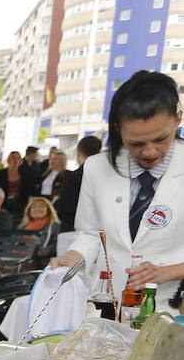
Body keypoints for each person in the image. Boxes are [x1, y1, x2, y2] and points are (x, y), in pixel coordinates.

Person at [51, 70, 184, 314]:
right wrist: (73, 256)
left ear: (178, 118)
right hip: (108, 304)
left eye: (161, 139)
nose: (150, 152)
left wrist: (170, 271)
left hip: (172, 307)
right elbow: (90, 233)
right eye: (136, 143)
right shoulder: (97, 168)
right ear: (117, 130)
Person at [54, 135, 102, 230]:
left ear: (79, 152)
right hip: (102, 228)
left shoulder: (73, 176)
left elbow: (66, 206)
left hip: (74, 228)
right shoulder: (108, 175)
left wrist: (57, 204)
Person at [21, 195, 61, 266]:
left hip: (44, 262)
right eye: (33, 207)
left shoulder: (55, 225)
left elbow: (57, 245)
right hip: (23, 260)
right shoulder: (23, 227)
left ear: (48, 210)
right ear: (29, 211)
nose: (37, 209)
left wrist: (41, 251)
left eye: (41, 206)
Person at [0, 150, 27, 217]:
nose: (15, 160)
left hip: (20, 205)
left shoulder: (26, 174)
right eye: (13, 157)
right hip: (3, 203)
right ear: (8, 160)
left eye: (18, 158)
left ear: (21, 161)